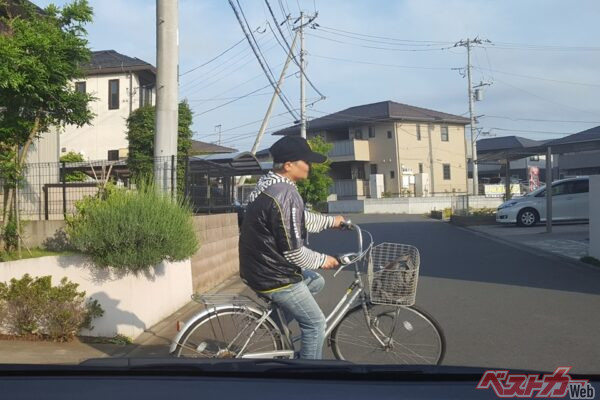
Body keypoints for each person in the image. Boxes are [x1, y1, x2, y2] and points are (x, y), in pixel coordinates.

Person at [239, 135, 345, 360]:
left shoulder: (268, 185)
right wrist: (324, 260)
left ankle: (274, 327)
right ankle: (308, 378)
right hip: (274, 276)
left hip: (258, 268)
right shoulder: (286, 193)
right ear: (289, 166)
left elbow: (296, 219)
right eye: (306, 161)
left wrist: (331, 221)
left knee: (316, 281)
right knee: (315, 323)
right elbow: (294, 252)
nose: (310, 166)